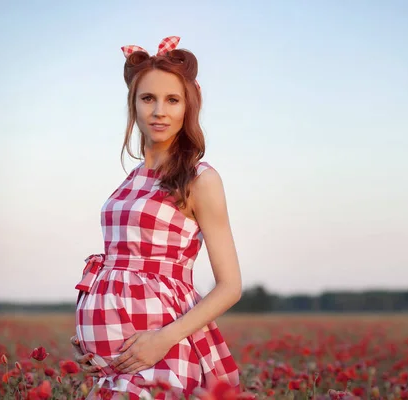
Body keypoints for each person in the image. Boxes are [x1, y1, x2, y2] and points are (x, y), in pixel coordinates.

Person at [69, 36, 242, 400]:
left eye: (172, 100)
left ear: (188, 107)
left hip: (164, 348)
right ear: (133, 105)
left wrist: (163, 339)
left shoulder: (200, 179)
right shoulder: (131, 180)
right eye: (148, 98)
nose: (159, 111)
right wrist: (95, 337)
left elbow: (230, 286)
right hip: (120, 362)